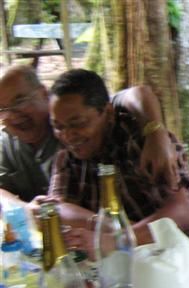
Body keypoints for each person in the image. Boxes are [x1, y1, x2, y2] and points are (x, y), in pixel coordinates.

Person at [46, 69, 189, 259]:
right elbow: (57, 207)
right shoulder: (67, 155)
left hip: (188, 238)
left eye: (78, 123)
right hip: (131, 247)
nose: (68, 136)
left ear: (108, 113)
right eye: (58, 126)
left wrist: (116, 240)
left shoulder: (141, 141)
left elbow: (184, 212)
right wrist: (107, 227)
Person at [0, 65, 179, 204]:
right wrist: (22, 207)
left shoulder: (77, 112)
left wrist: (155, 132)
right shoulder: (8, 143)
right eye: (2, 109)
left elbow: (138, 94)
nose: (13, 115)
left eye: (20, 101)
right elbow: (61, 207)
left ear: (43, 94)